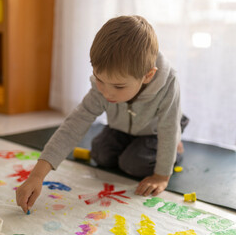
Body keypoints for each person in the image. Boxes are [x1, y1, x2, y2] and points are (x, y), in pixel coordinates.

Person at [16, 15, 185, 214]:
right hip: (121, 128)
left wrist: (162, 176)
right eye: (99, 80)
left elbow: (168, 127)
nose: (106, 92)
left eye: (119, 86)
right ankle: (134, 145)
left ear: (148, 75)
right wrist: (36, 176)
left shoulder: (168, 83)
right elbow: (74, 125)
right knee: (101, 154)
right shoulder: (103, 87)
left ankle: (178, 148)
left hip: (155, 131)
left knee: (134, 164)